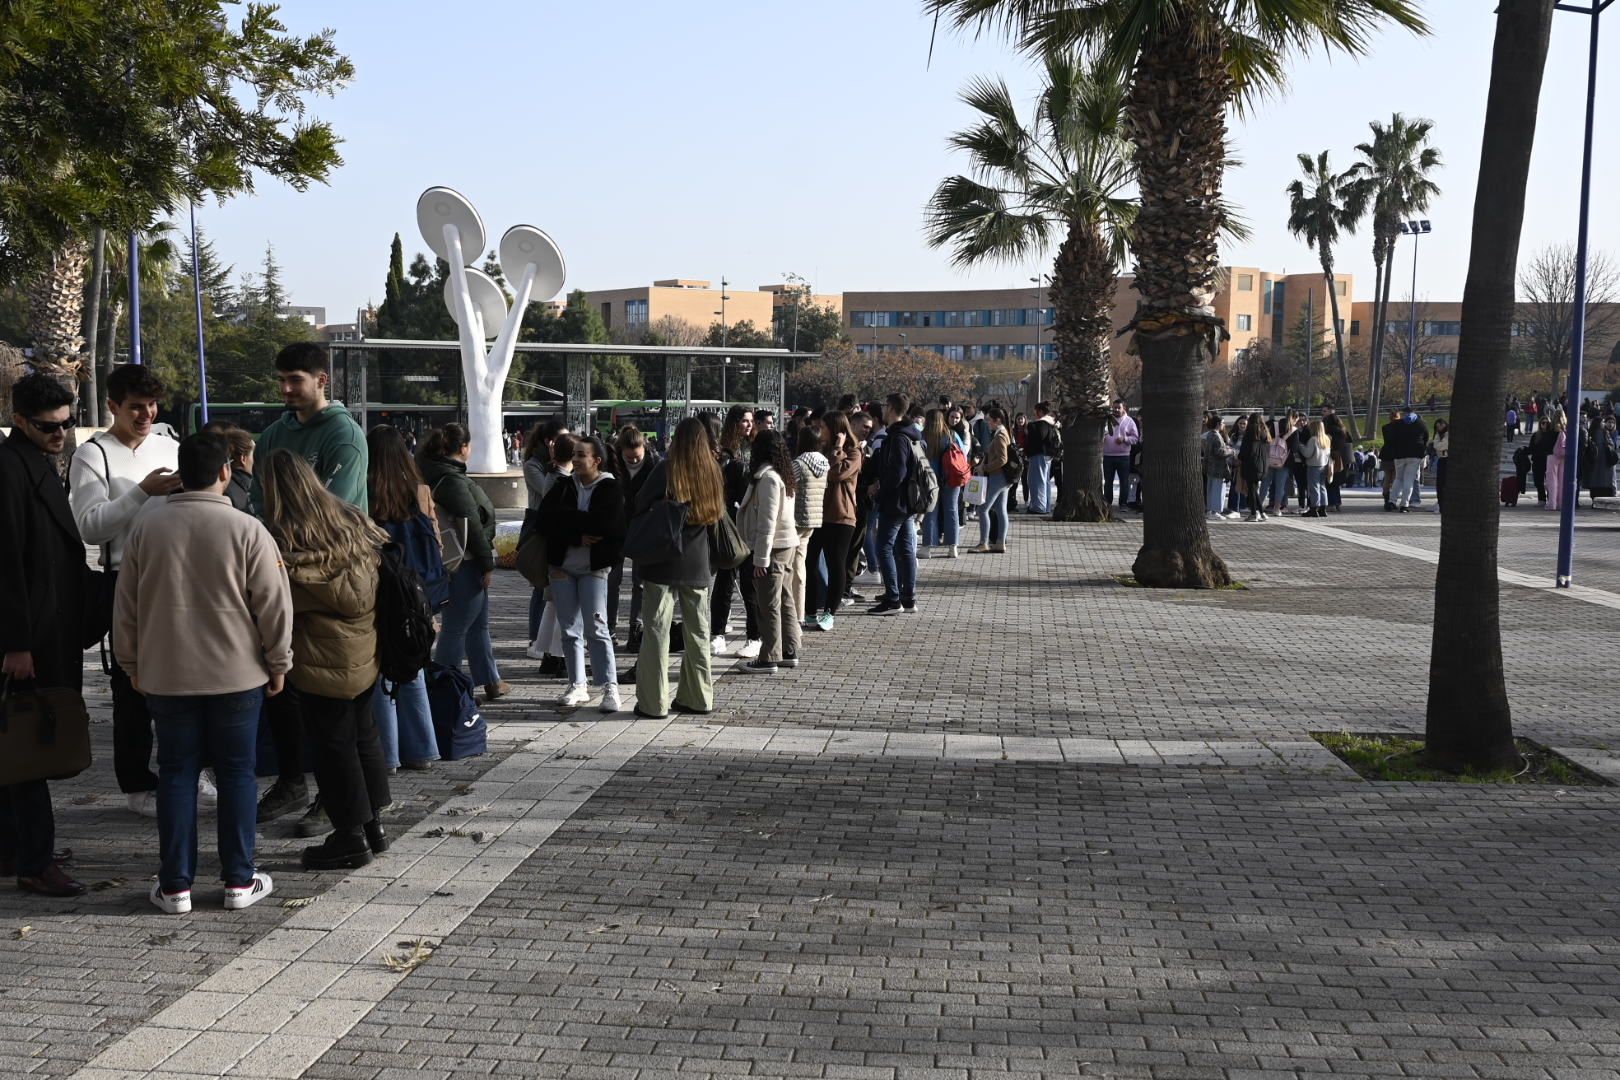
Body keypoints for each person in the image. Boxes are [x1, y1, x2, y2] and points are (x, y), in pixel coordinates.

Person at [115, 432, 290, 913]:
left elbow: (125, 607)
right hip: (238, 673)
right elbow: (274, 606)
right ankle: (238, 880)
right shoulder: (248, 529)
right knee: (238, 773)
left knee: (175, 774)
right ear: (225, 473)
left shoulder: (146, 529)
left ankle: (175, 887)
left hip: (166, 674)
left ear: (179, 472)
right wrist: (279, 661)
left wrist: (130, 662)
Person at [250, 341, 370, 829]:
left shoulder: (344, 435)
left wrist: (287, 548)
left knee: (334, 697)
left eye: (295, 379)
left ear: (324, 380)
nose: (285, 389)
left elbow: (333, 515)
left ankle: (336, 796)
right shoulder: (275, 433)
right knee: (282, 688)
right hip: (280, 575)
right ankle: (293, 781)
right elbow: (258, 501)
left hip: (331, 579)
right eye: (280, 379)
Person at [259, 450, 391, 871]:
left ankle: (349, 838)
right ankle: (373, 829)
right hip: (363, 649)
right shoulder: (350, 520)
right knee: (363, 737)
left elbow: (274, 600)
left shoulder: (284, 539)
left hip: (319, 658)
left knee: (333, 750)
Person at [68, 364, 184, 818]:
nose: (146, 415)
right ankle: (136, 783)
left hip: (175, 575)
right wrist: (141, 492)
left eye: (152, 406)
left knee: (181, 679)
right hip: (126, 581)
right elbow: (89, 526)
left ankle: (184, 770)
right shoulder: (93, 454)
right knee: (130, 684)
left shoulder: (170, 446)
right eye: (136, 407)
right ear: (113, 407)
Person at [0, 373, 90, 897]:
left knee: (20, 743)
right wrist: (16, 643)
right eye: (48, 426)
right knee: (27, 746)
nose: (61, 434)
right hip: (28, 637)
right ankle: (34, 859)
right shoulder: (10, 470)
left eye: (67, 423)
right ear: (19, 421)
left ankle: (18, 849)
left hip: (45, 627)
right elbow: (7, 562)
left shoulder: (36, 463)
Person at [630, 417, 722, 718]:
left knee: (656, 630)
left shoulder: (666, 469)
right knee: (698, 631)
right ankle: (699, 697)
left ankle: (653, 702)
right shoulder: (712, 471)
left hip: (662, 558)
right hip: (698, 561)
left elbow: (640, 503)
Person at [366, 426, 443, 773]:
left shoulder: (366, 489)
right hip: (415, 591)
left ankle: (388, 755)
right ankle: (423, 749)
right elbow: (436, 543)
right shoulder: (421, 491)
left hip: (380, 587)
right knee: (413, 665)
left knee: (381, 667)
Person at [419, 424, 508, 701]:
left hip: (455, 559)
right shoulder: (452, 480)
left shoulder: (432, 471)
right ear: (463, 449)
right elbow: (472, 524)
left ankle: (491, 680)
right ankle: (444, 688)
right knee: (456, 627)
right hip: (465, 561)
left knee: (477, 623)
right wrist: (486, 563)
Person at [541, 435, 626, 710]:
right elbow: (545, 518)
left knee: (597, 627)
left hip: (594, 568)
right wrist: (578, 532)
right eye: (574, 455)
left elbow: (606, 525)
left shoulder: (610, 487)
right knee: (568, 629)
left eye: (581, 455)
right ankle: (577, 684)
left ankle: (609, 686)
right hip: (562, 566)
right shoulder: (564, 485)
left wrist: (568, 520)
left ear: (596, 460)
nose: (575, 460)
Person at [736, 428, 799, 672]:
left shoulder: (769, 478)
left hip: (773, 547)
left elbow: (767, 521)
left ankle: (769, 656)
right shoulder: (782, 475)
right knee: (784, 599)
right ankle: (788, 649)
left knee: (768, 604)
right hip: (784, 544)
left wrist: (760, 559)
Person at [805, 411, 862, 631]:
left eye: (824, 426)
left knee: (835, 564)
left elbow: (836, 474)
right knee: (809, 563)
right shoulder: (820, 449)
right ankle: (809, 610)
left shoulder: (854, 453)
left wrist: (838, 448)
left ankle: (830, 612)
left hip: (841, 516)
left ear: (836, 429)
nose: (821, 429)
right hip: (817, 513)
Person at [711, 406, 759, 660]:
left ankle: (754, 637)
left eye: (750, 421)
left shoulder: (755, 448)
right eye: (743, 421)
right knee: (724, 581)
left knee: (749, 583)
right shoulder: (724, 451)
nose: (748, 425)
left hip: (750, 522)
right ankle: (717, 633)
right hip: (728, 521)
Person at [867, 393, 923, 614]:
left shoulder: (898, 437)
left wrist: (881, 492)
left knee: (884, 547)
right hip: (908, 500)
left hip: (896, 501)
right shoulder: (911, 434)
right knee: (906, 549)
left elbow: (897, 472)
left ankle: (893, 599)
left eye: (884, 406)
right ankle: (908, 598)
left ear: (890, 408)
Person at [525, 429, 574, 675]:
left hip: (553, 548)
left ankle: (548, 654)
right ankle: (559, 655)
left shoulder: (552, 474)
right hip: (561, 550)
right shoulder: (561, 480)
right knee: (563, 605)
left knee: (553, 604)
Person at [608, 425, 660, 652]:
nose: (632, 460)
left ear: (644, 448)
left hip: (643, 527)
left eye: (636, 456)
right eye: (628, 457)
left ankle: (635, 628)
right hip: (616, 528)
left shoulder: (654, 464)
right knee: (612, 580)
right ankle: (608, 629)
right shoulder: (611, 463)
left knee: (639, 582)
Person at [789, 425, 828, 624]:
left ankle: (796, 614)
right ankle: (799, 612)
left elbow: (788, 487)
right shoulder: (824, 463)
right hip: (813, 519)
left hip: (796, 519)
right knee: (801, 565)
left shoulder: (798, 464)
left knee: (795, 568)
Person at [921, 408, 966, 557]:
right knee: (952, 510)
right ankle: (953, 548)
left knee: (930, 512)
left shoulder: (923, 436)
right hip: (951, 479)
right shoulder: (951, 435)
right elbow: (963, 455)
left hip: (930, 480)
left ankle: (927, 547)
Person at [973, 406, 1013, 553]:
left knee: (983, 509)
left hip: (999, 477)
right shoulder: (1001, 432)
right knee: (1000, 509)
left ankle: (984, 543)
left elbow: (1003, 459)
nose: (987, 422)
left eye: (989, 420)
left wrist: (986, 468)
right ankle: (1000, 542)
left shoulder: (1000, 435)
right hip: (1002, 478)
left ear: (997, 421)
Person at [1386, 410, 1430, 514]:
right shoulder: (1421, 424)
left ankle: (1392, 501)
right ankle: (1404, 505)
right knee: (1409, 480)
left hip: (1399, 455)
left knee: (1398, 478)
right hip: (1414, 455)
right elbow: (1426, 438)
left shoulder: (1398, 423)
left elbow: (1391, 438)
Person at [1023, 402, 1061, 516]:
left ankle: (1038, 506)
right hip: (1047, 455)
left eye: (1036, 411)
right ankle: (1045, 506)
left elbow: (1039, 436)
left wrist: (1029, 428)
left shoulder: (1041, 424)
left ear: (1039, 411)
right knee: (1045, 481)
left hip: (1038, 454)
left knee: (1036, 480)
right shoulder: (1052, 423)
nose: (1035, 414)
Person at [1101, 400, 1137, 509]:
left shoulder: (1129, 421)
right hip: (1108, 456)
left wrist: (1125, 439)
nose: (1116, 410)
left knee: (1124, 482)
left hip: (1124, 457)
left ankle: (1123, 504)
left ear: (1123, 408)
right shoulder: (1107, 420)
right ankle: (1107, 503)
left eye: (1118, 407)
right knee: (1108, 482)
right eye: (1114, 407)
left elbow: (1135, 438)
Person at [1200, 415, 1236, 520]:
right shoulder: (1216, 436)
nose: (1224, 425)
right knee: (1217, 490)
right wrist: (1231, 451)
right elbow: (1220, 452)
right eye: (1223, 423)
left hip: (1210, 467)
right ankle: (1215, 511)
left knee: (1211, 489)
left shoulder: (1210, 435)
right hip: (1218, 468)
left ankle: (1210, 510)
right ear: (1218, 424)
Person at [1238, 413, 1270, 522]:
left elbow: (1246, 450)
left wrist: (1240, 456)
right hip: (1262, 464)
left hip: (1251, 464)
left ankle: (1253, 513)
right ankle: (1261, 512)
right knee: (1254, 489)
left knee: (1251, 490)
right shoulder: (1265, 433)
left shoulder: (1250, 433)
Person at [1300, 420, 1332, 518]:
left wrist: (1301, 446)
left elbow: (1307, 453)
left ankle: (1314, 508)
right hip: (1324, 465)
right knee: (1322, 486)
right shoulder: (1326, 439)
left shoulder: (1313, 439)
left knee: (1314, 488)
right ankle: (1323, 508)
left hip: (1313, 465)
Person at [1546, 412, 1569, 512]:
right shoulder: (1565, 429)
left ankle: (1552, 504)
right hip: (1563, 456)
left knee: (1552, 480)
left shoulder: (1551, 430)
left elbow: (1546, 444)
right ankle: (1560, 503)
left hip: (1552, 455)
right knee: (1561, 480)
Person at [1530, 416, 1556, 505]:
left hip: (1548, 460)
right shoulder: (1536, 435)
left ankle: (1550, 499)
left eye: (1547, 423)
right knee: (1538, 481)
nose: (1545, 425)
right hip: (1537, 461)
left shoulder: (1551, 435)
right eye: (1543, 423)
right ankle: (1541, 499)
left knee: (1549, 481)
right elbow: (1531, 448)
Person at [1431, 419, 1451, 512]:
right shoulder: (1438, 435)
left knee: (1445, 482)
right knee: (1440, 483)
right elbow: (1436, 445)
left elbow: (1442, 446)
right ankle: (1441, 504)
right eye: (1437, 426)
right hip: (1441, 459)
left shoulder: (1448, 434)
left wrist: (1439, 443)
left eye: (1441, 425)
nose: (1439, 428)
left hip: (1447, 458)